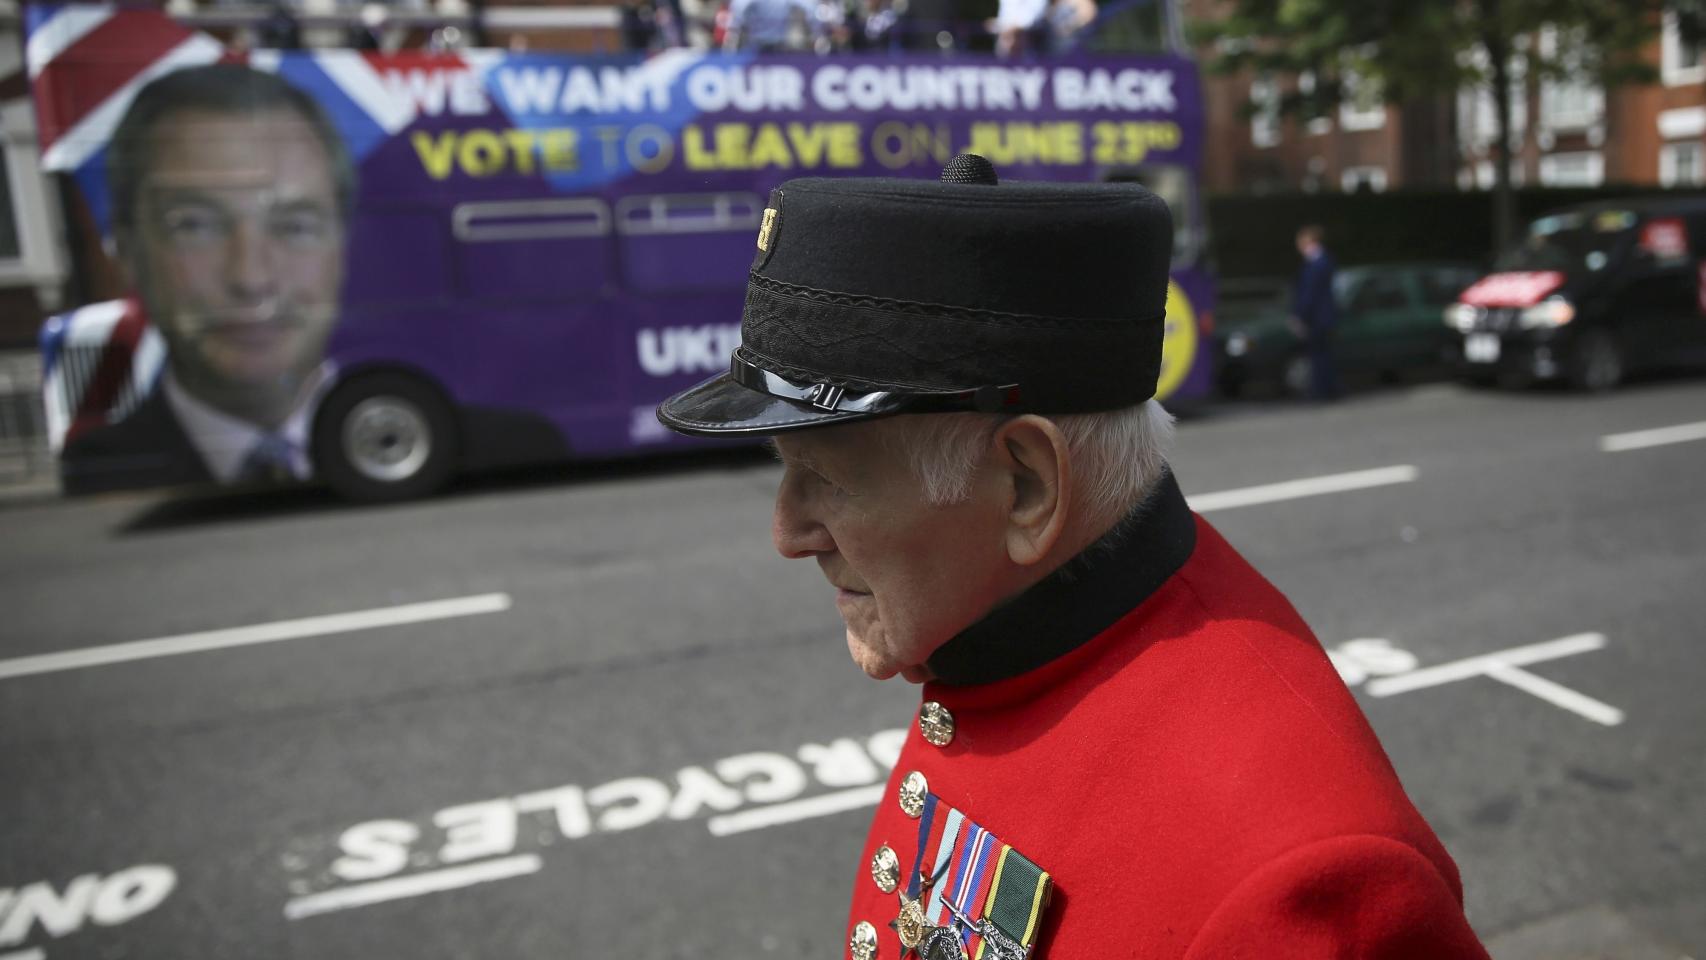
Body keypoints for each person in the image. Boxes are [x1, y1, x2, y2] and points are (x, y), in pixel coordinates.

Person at [656, 155, 1491, 959]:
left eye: (826, 479)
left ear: (1026, 487)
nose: (787, 533)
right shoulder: (1007, 632)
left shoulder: (1303, 885)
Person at [61, 64, 564, 495]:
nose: (252, 278)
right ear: (125, 247)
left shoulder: (533, 433)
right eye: (195, 225)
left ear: (343, 246)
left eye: (295, 226)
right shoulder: (104, 449)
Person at [1289, 223, 1342, 400]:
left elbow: (1309, 294)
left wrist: (1299, 316)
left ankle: (1322, 391)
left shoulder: (1316, 263)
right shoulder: (1323, 261)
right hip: (1323, 317)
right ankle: (1330, 389)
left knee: (1319, 356)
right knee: (1324, 355)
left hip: (1317, 318)